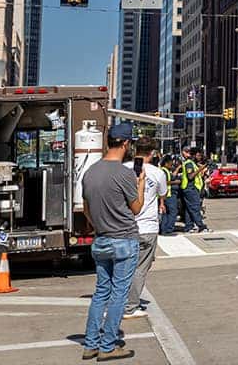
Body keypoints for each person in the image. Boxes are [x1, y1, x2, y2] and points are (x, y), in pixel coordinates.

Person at [80, 122, 144, 361]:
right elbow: (136, 208)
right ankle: (108, 346)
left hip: (101, 240)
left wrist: (99, 224)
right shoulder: (125, 174)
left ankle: (91, 344)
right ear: (126, 144)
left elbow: (86, 210)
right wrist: (139, 185)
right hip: (124, 239)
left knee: (101, 293)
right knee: (119, 294)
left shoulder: (90, 172)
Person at [123, 137, 166, 320]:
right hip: (147, 226)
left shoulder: (124, 169)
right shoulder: (158, 173)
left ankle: (120, 302)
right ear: (153, 153)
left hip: (125, 225)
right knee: (139, 268)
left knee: (123, 267)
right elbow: (162, 193)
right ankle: (130, 306)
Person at [178, 148, 208, 233]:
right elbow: (190, 176)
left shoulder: (192, 163)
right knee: (195, 208)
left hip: (192, 188)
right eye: (198, 155)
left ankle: (189, 226)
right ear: (193, 155)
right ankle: (201, 226)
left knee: (189, 209)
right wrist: (200, 169)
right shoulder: (189, 164)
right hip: (190, 188)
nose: (200, 157)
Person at [159, 155, 179, 236]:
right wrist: (175, 182)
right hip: (168, 195)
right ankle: (168, 229)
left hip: (166, 195)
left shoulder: (165, 170)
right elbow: (165, 182)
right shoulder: (164, 171)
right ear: (166, 163)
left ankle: (164, 229)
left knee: (165, 213)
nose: (172, 165)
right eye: (170, 163)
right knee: (173, 212)